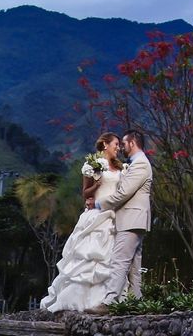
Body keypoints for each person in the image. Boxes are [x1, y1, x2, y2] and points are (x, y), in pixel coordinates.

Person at [39, 132, 125, 312]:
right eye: (116, 144)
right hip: (95, 214)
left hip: (113, 216)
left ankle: (111, 300)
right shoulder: (92, 165)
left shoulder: (121, 168)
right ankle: (80, 300)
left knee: (113, 257)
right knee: (88, 257)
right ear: (105, 145)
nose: (118, 147)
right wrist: (97, 185)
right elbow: (85, 193)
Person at [86, 129, 152, 315]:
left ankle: (109, 301)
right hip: (134, 219)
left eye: (124, 143)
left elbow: (124, 194)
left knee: (119, 261)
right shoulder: (137, 164)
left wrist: (98, 204)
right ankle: (136, 302)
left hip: (132, 219)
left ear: (132, 143)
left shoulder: (140, 164)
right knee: (133, 266)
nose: (122, 147)